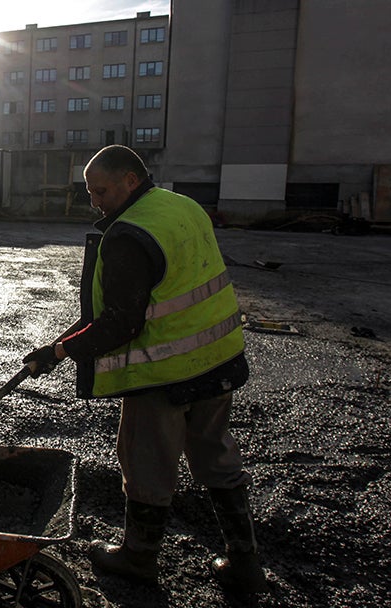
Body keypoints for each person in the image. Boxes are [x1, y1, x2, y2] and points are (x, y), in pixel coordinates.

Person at [23, 145, 267, 595]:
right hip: (218, 360)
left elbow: (121, 322)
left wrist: (60, 354)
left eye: (101, 190)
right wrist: (58, 342)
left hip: (164, 374)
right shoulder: (182, 207)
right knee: (216, 457)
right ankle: (245, 561)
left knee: (146, 464)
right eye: (89, 191)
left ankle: (138, 558)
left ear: (131, 180)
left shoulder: (129, 235)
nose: (94, 200)